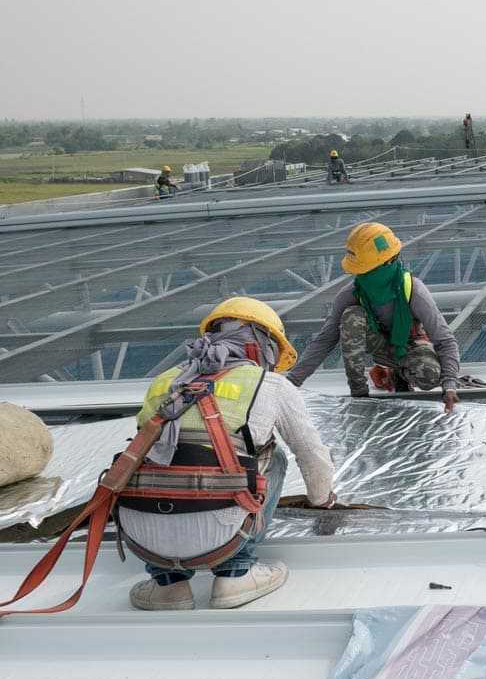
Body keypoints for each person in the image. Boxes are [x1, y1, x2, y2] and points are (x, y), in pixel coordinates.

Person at [124, 297, 336, 611]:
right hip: (223, 530)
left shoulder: (165, 380)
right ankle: (236, 571)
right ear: (263, 343)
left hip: (142, 534)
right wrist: (322, 500)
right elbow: (311, 454)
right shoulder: (271, 385)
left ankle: (168, 584)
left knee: (157, 460)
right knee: (271, 458)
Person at [287, 222, 462, 412]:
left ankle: (398, 374)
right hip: (380, 346)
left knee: (428, 375)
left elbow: (444, 340)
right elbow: (325, 340)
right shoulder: (352, 295)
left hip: (409, 345)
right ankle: (359, 394)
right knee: (352, 317)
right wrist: (291, 382)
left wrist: (449, 385)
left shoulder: (413, 290)